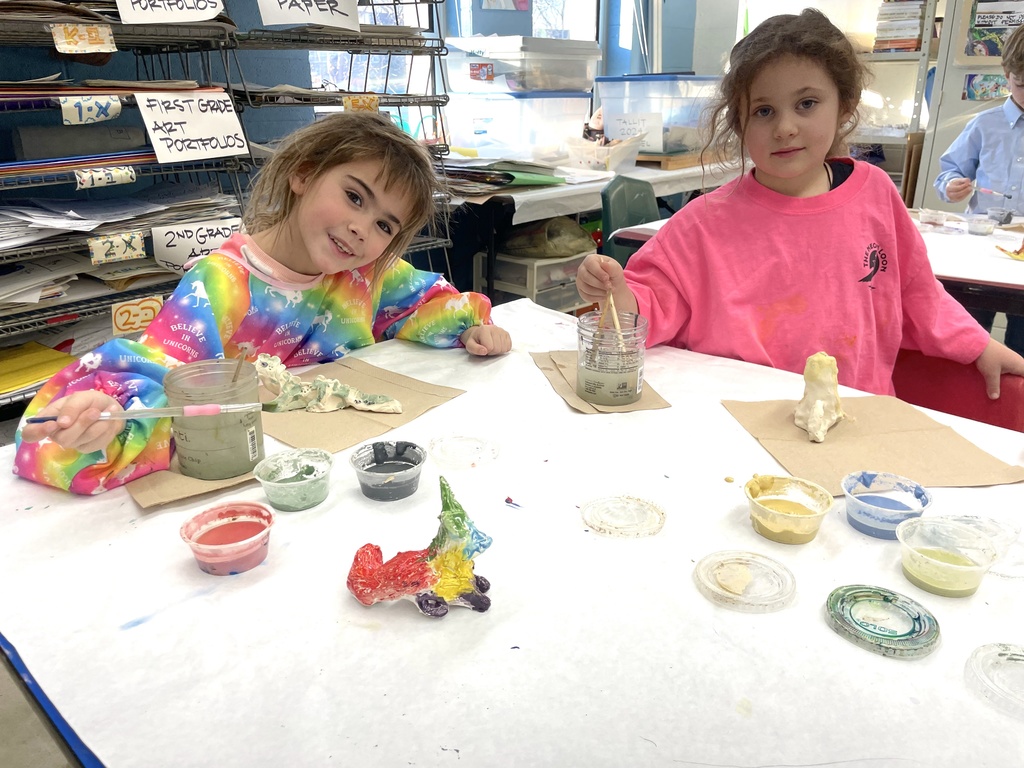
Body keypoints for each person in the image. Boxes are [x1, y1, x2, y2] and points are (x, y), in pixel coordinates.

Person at [16, 112, 511, 494]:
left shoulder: (361, 273)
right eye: (355, 197)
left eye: (386, 225)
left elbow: (421, 302)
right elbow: (158, 378)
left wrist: (469, 326)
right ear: (303, 174)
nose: (363, 228)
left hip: (348, 469)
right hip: (252, 481)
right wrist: (100, 418)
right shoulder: (220, 284)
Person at [577, 9, 1024, 399]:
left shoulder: (875, 193)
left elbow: (918, 293)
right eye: (764, 111)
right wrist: (616, 292)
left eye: (806, 104)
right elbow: (650, 304)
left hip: (855, 416)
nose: (785, 127)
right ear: (739, 122)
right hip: (732, 420)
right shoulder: (704, 221)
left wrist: (980, 345)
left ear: (844, 105)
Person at [934, 22, 1024, 356]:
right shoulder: (985, 125)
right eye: (1022, 84)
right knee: (968, 337)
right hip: (980, 252)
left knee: (1021, 347)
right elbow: (950, 172)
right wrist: (951, 186)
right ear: (1006, 73)